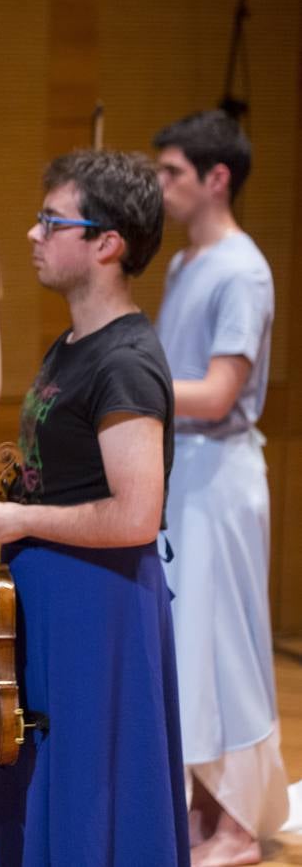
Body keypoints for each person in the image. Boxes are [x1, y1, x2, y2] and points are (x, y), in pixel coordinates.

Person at [0, 149, 188, 864]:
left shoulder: (123, 361)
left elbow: (134, 514)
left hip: (98, 609)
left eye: (49, 220)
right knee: (43, 787)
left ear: (105, 243)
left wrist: (23, 519)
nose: (32, 234)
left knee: (88, 792)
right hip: (54, 601)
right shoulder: (71, 344)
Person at [153, 110, 287, 866]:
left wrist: (128, 383)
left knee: (225, 645)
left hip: (220, 475)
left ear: (216, 178)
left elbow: (216, 390)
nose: (161, 185)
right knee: (190, 646)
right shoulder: (180, 265)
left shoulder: (242, 268)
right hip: (181, 472)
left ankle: (237, 827)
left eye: (172, 173)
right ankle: (206, 810)